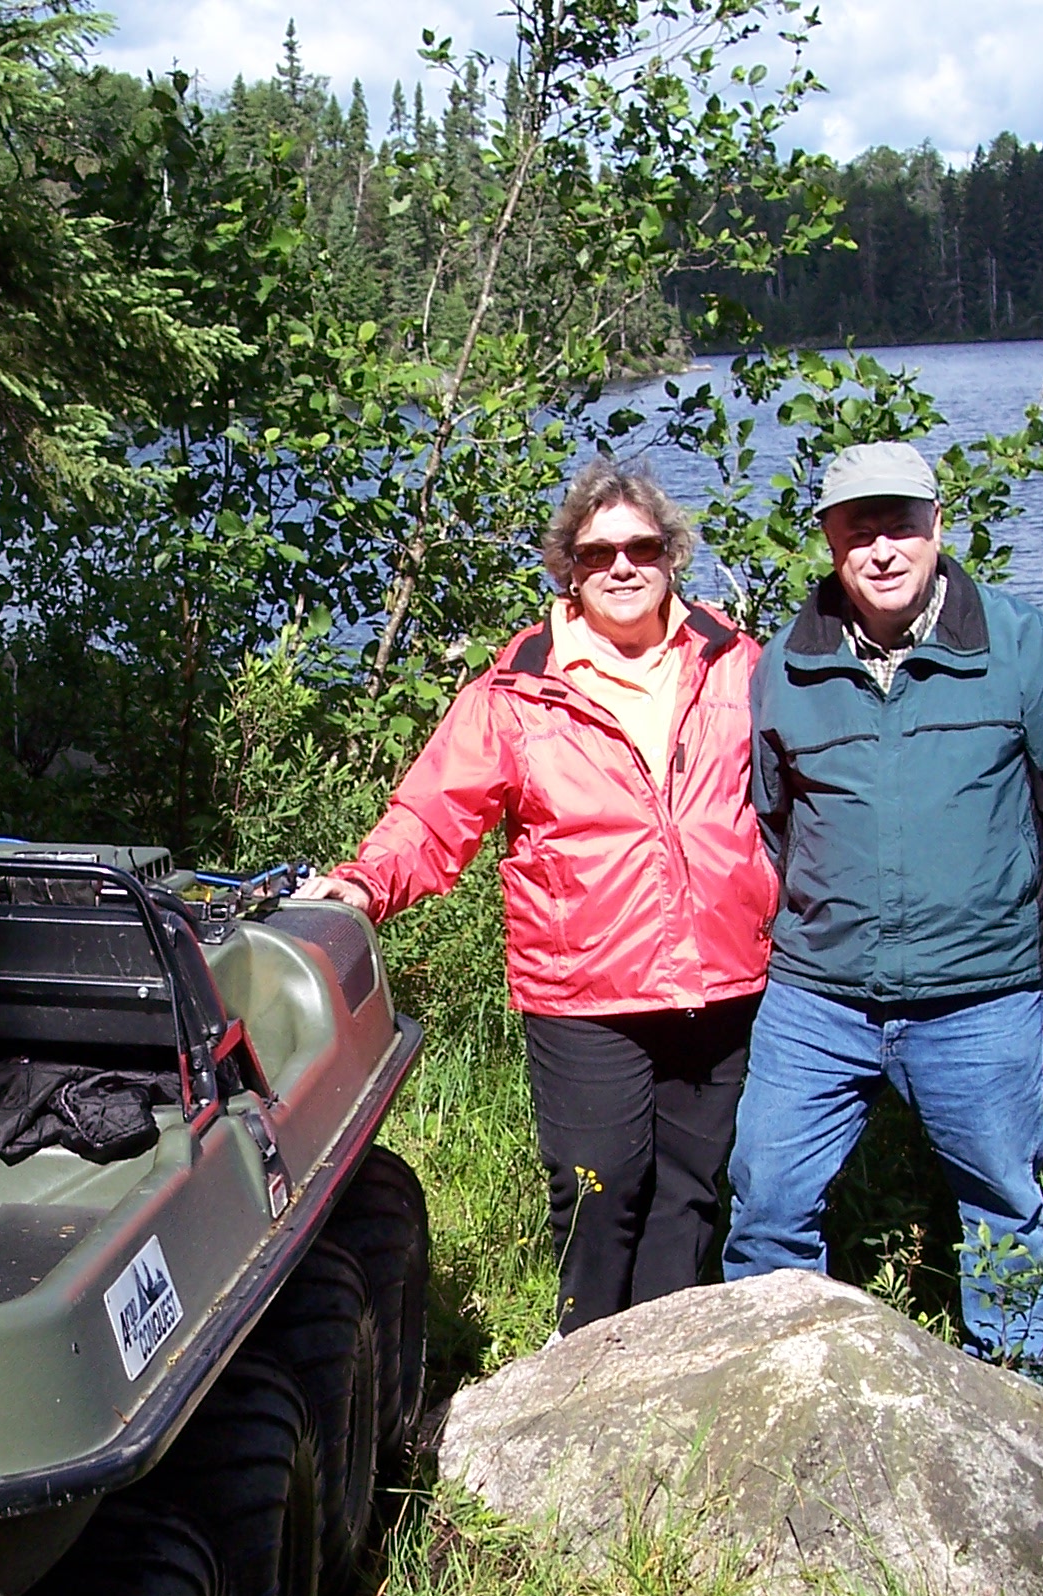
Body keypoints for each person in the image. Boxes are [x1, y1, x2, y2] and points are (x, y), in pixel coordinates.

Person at [297, 459, 776, 1337]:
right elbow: (435, 814)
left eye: (641, 547)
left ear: (671, 556)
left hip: (724, 977)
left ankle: (664, 1364)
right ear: (570, 569)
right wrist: (364, 884)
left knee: (690, 1192)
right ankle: (583, 1359)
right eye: (599, 554)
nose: (622, 567)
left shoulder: (737, 664)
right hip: (585, 988)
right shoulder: (519, 687)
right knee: (599, 1188)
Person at [720, 441, 1043, 1373]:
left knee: (1001, 1207)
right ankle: (772, 1390)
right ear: (829, 541)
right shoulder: (786, 662)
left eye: (900, 525)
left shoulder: (1021, 646)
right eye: (857, 529)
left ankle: (1023, 1407)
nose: (881, 549)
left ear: (937, 527)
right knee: (769, 1198)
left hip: (981, 998)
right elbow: (772, 817)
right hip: (819, 999)